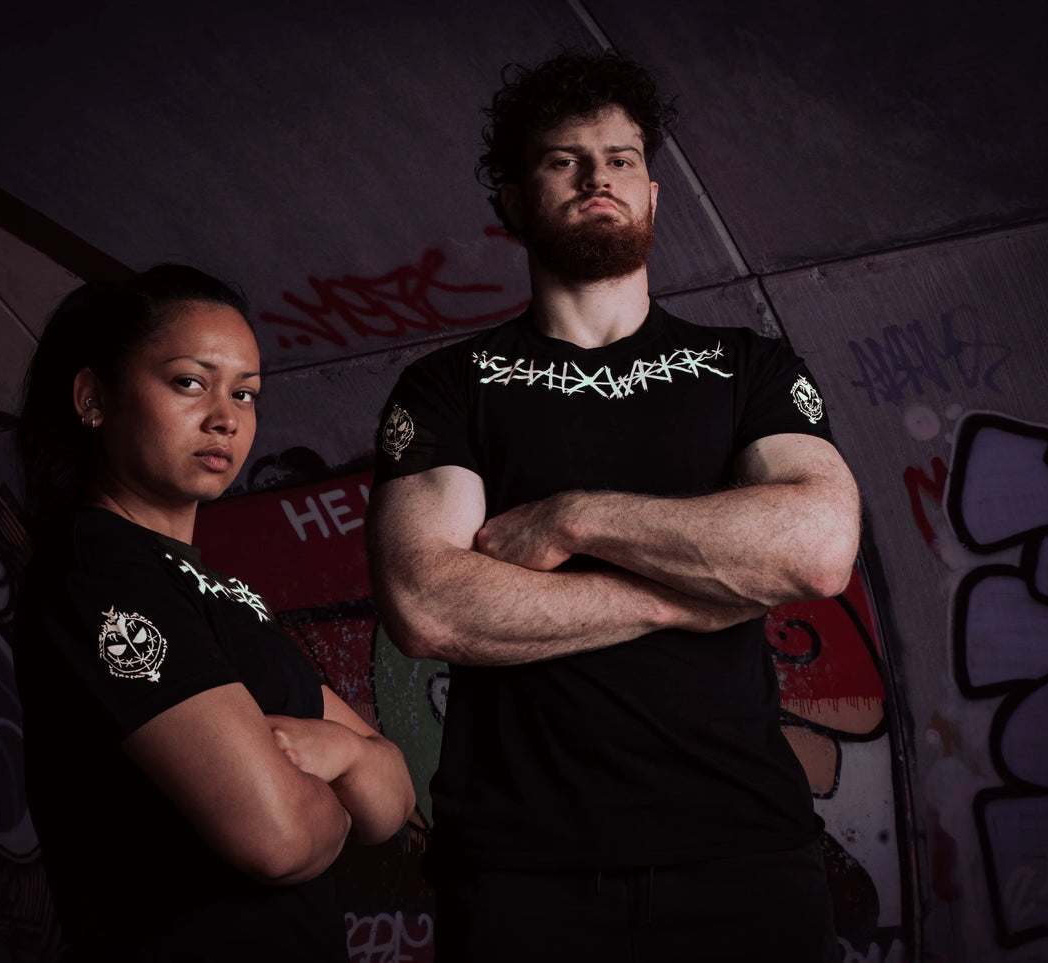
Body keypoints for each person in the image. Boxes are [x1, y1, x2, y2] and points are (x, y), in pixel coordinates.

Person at [366, 50, 860, 962]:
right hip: (523, 873)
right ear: (511, 201)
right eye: (564, 159)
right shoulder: (449, 388)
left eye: (621, 158)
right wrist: (683, 598)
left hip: (746, 854)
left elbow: (819, 545)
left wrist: (570, 520)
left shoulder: (746, 368)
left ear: (653, 193)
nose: (599, 176)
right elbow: (428, 603)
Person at [12, 264, 415, 961]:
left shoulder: (210, 586)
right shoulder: (100, 569)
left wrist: (344, 752)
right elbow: (277, 838)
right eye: (189, 382)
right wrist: (339, 782)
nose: (226, 416)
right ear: (94, 397)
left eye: (246, 392)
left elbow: (394, 800)